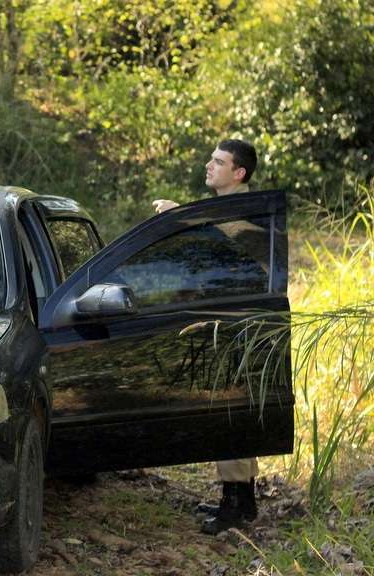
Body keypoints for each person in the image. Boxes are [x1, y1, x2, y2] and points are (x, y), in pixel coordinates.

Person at [153, 138, 261, 535]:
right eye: (210, 158)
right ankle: (242, 499)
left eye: (219, 162)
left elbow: (227, 242)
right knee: (233, 410)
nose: (208, 165)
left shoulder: (242, 210)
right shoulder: (227, 208)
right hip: (230, 320)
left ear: (239, 174)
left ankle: (235, 504)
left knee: (229, 411)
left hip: (234, 325)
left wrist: (180, 215)